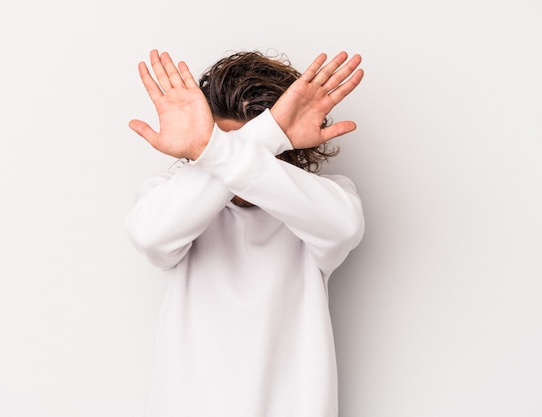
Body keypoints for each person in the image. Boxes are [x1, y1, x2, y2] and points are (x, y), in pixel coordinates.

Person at [125, 48, 365, 417]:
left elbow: (345, 226)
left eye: (255, 143)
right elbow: (149, 236)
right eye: (221, 144)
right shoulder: (171, 196)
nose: (232, 163)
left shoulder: (320, 200)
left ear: (286, 148)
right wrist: (267, 134)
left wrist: (222, 148)